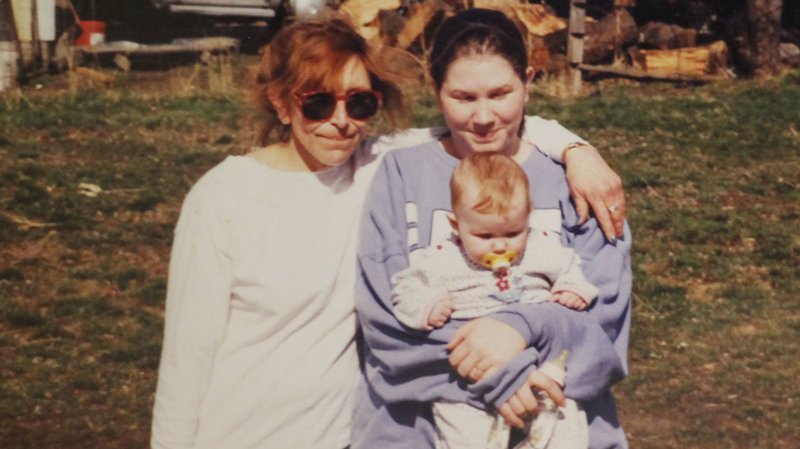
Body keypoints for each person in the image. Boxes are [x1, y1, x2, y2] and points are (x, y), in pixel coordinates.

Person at [150, 15, 625, 449]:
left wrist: (575, 149)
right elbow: (185, 361)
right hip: (245, 431)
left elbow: (494, 121)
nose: (340, 120)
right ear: (280, 103)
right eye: (316, 103)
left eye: (359, 103)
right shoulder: (234, 196)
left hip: (344, 432)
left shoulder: (383, 162)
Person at [353, 8, 632, 449]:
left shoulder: (577, 182)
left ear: (529, 80)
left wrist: (523, 324)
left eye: (500, 93)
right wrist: (502, 376)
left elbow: (603, 325)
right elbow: (385, 319)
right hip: (416, 434)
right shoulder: (402, 175)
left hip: (560, 425)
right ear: (434, 89)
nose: (483, 117)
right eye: (463, 98)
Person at [390, 152, 598, 449]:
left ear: (529, 216)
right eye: (484, 235)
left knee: (566, 422)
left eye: (513, 232)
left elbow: (570, 267)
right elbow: (405, 287)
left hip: (539, 363)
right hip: (471, 378)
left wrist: (572, 289)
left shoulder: (541, 248)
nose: (500, 245)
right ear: (455, 225)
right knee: (463, 428)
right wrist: (427, 306)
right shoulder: (440, 258)